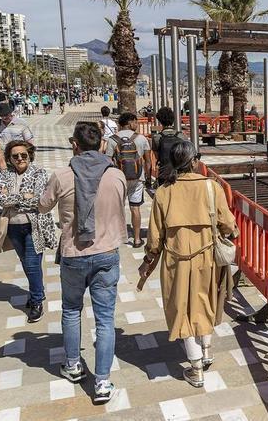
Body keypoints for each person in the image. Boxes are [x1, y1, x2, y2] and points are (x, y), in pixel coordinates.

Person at [39, 122, 127, 404]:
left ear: (73, 144)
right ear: (102, 145)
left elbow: (43, 205)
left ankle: (74, 364)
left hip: (74, 254)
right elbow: (118, 206)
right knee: (105, 320)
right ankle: (102, 382)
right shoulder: (115, 175)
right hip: (106, 253)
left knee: (72, 310)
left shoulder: (62, 175)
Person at [139, 141, 237, 388]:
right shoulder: (211, 187)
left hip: (175, 260)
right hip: (207, 258)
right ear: (194, 161)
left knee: (181, 308)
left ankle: (195, 368)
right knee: (204, 302)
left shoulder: (164, 192)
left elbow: (154, 237)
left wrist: (148, 259)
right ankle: (206, 353)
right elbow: (228, 224)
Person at [0, 140, 56, 322]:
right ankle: (37, 293)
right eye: (15, 156)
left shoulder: (39, 173)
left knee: (32, 264)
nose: (20, 158)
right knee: (25, 262)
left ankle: (36, 301)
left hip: (33, 225)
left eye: (23, 155)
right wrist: (22, 197)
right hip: (13, 225)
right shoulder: (6, 174)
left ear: (30, 155)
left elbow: (38, 200)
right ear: (9, 158)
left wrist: (11, 198)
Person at [106, 112, 151, 247]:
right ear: (130, 122)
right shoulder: (141, 139)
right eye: (135, 122)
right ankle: (137, 239)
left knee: (118, 208)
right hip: (137, 179)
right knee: (135, 208)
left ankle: (117, 237)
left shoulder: (112, 139)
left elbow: (108, 160)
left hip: (119, 178)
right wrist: (147, 177)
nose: (136, 124)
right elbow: (148, 161)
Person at [151, 107, 185, 185]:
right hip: (180, 172)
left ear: (160, 121)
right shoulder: (181, 136)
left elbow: (156, 157)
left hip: (164, 172)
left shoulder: (157, 137)